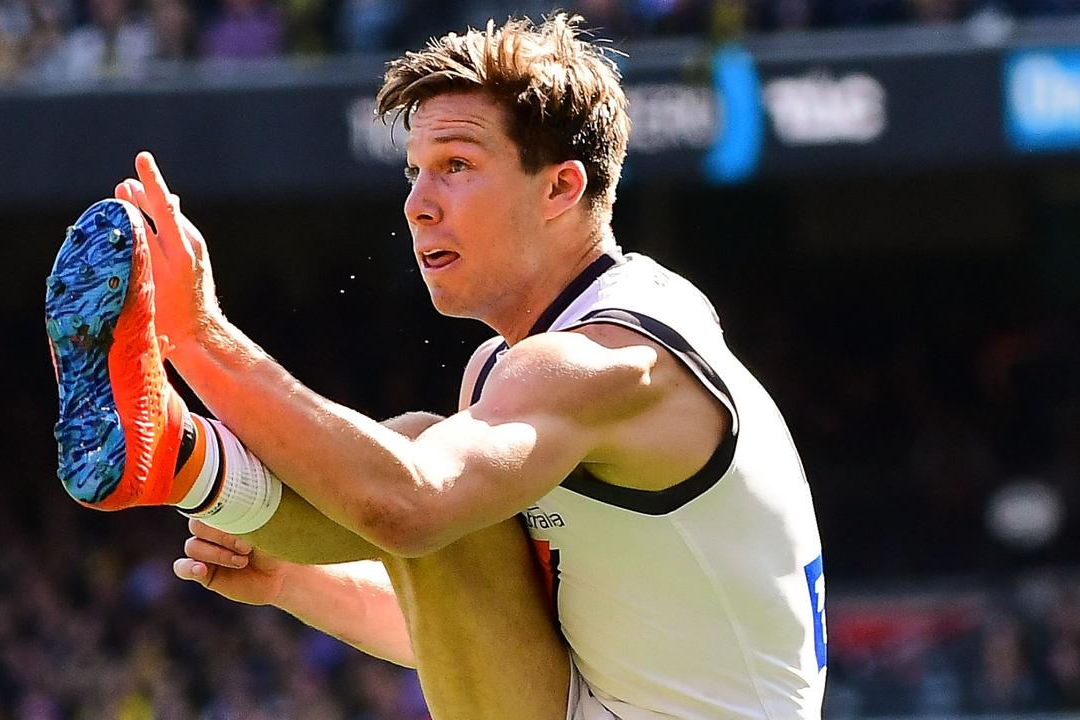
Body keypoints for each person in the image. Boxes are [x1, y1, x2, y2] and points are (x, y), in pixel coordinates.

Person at [44, 14, 827, 719]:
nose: (419, 203)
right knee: (433, 475)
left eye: (455, 165)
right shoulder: (511, 371)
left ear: (561, 187)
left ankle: (172, 448)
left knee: (420, 464)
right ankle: (170, 455)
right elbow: (473, 622)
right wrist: (295, 582)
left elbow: (407, 507)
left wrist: (199, 336)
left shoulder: (614, 361)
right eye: (413, 171)